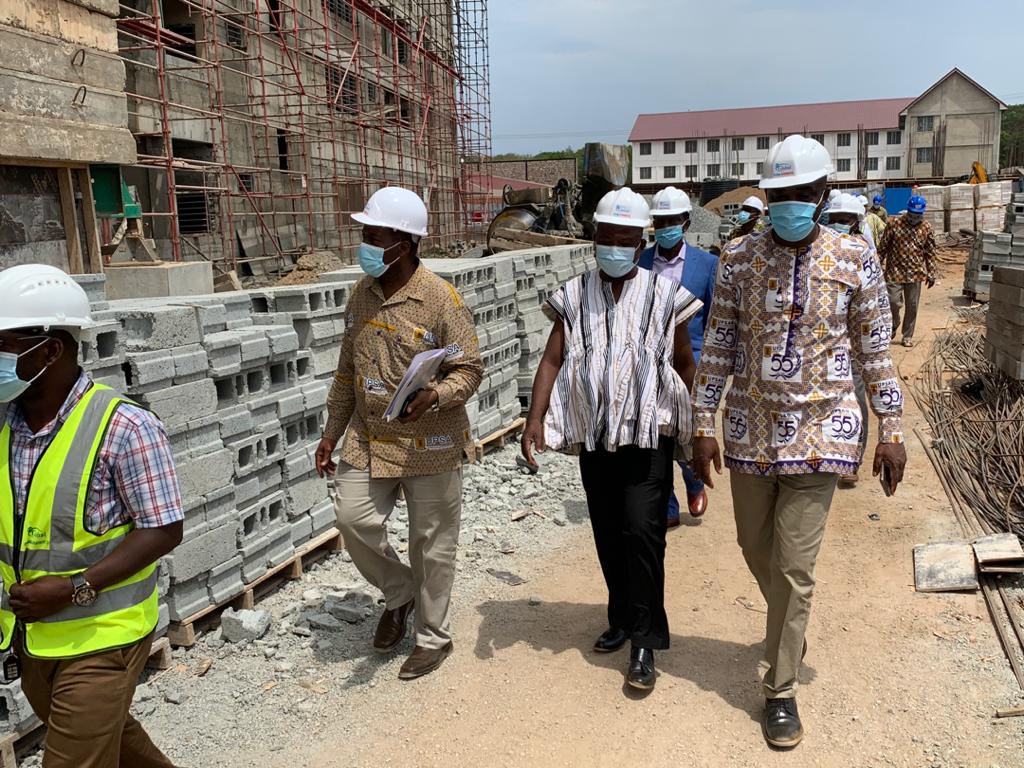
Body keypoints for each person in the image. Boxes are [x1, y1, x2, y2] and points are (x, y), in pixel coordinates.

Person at [691, 135, 907, 749]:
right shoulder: (738, 257)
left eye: (800, 192)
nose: (788, 203)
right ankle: (789, 622)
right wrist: (702, 423)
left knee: (794, 566)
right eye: (779, 193)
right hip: (750, 428)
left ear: (822, 193)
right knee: (752, 544)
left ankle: (779, 689)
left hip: (824, 427)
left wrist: (891, 430)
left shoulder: (854, 257)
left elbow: (874, 350)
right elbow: (720, 344)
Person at [0, 264, 183, 767]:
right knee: (111, 739)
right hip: (33, 635)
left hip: (104, 635)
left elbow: (164, 528)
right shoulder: (5, 424)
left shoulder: (125, 426)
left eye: (3, 345)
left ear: (49, 350)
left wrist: (73, 588)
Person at [521, 187, 701, 692]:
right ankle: (621, 616)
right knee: (607, 529)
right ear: (594, 238)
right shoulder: (574, 295)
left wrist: (694, 426)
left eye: (626, 240)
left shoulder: (664, 295)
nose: (615, 248)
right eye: (607, 238)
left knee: (643, 531)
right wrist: (534, 418)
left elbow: (685, 363)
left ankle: (645, 640)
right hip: (596, 435)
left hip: (648, 435)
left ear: (641, 245)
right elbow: (552, 359)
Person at [316, 186, 483, 680]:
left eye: (374, 237)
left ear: (404, 244)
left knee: (432, 543)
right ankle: (400, 591)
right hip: (369, 439)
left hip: (430, 444)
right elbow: (346, 371)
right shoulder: (361, 294)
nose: (364, 245)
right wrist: (331, 432)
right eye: (364, 235)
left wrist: (437, 394)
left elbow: (470, 369)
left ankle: (432, 638)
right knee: (352, 519)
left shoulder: (441, 300)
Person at [638, 186, 718, 525]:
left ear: (686, 221)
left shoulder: (707, 264)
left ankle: (694, 481)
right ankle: (667, 504)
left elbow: (714, 318)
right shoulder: (640, 262)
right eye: (660, 221)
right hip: (648, 361)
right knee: (655, 433)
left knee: (686, 427)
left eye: (672, 221)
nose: (666, 227)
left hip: (690, 361)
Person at [825, 193, 875, 488]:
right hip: (823, 345)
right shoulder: (820, 250)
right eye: (835, 219)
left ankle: (852, 460)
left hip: (852, 347)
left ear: (855, 222)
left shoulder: (863, 253)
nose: (839, 224)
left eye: (844, 220)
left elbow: (874, 306)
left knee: (854, 398)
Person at [876, 194, 936, 348]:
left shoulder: (926, 228)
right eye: (913, 214)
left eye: (918, 215)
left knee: (912, 306)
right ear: (908, 211)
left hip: (915, 273)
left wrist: (931, 272)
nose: (915, 218)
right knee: (893, 302)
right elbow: (882, 248)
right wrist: (876, 266)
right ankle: (893, 323)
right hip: (894, 271)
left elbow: (930, 252)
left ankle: (907, 335)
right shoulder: (894, 224)